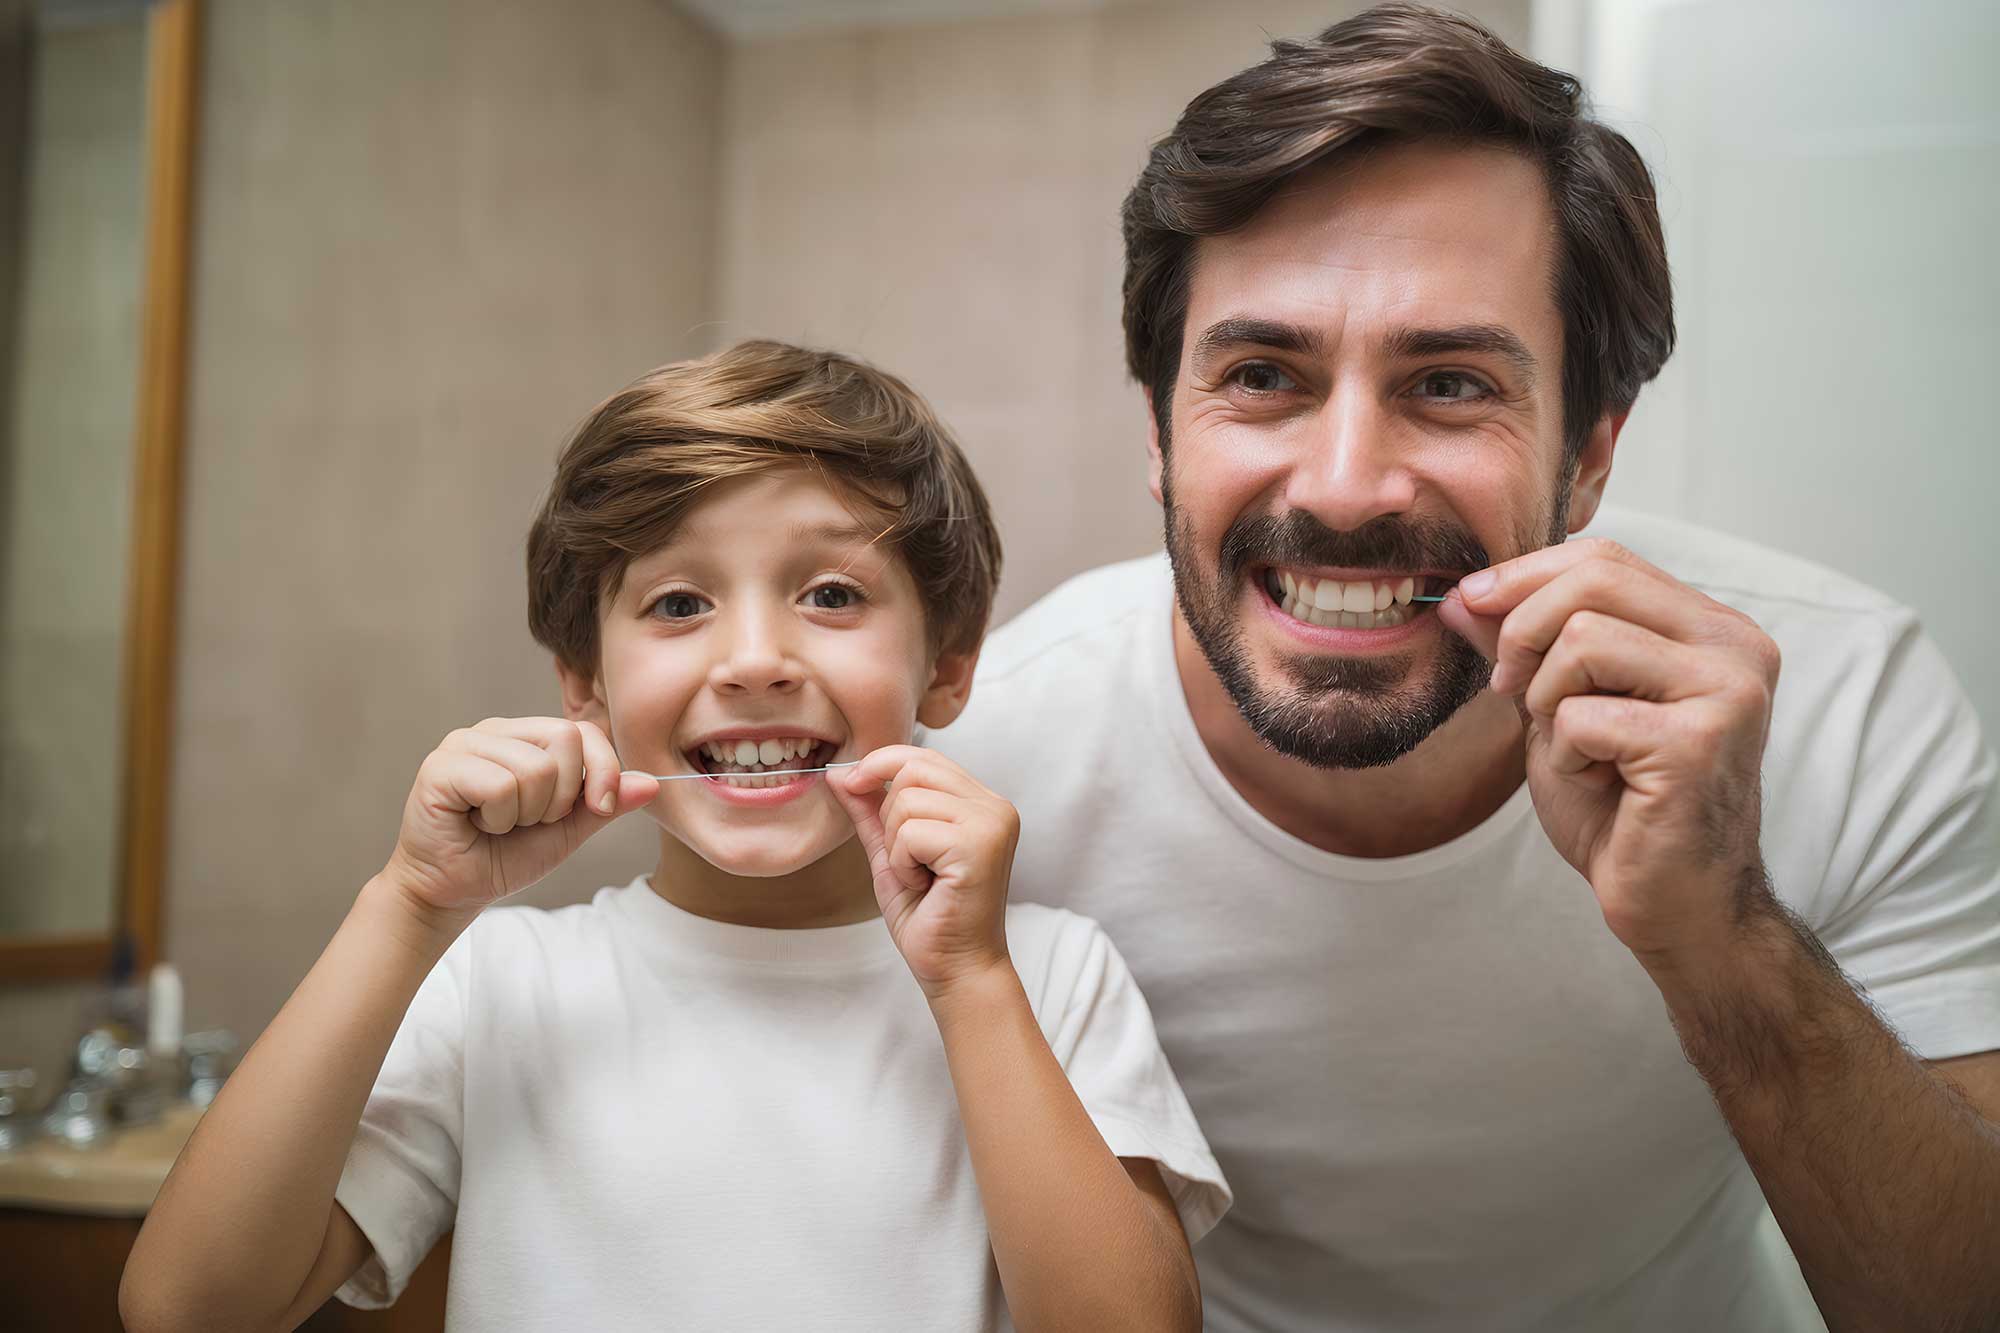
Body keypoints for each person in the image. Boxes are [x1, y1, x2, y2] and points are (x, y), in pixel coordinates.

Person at [933, 6, 2000, 1331]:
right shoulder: (993, 767)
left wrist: (1724, 942)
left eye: (1448, 385)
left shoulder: (1847, 706)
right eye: (1263, 373)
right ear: (1160, 429)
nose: (1343, 488)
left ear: (1591, 454)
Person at [121, 340, 1228, 1331]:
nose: (753, 658)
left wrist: (972, 983)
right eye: (678, 604)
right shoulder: (499, 985)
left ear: (943, 665)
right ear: (584, 686)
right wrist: (408, 905)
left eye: (833, 594)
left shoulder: (1045, 976)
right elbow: (188, 1306)